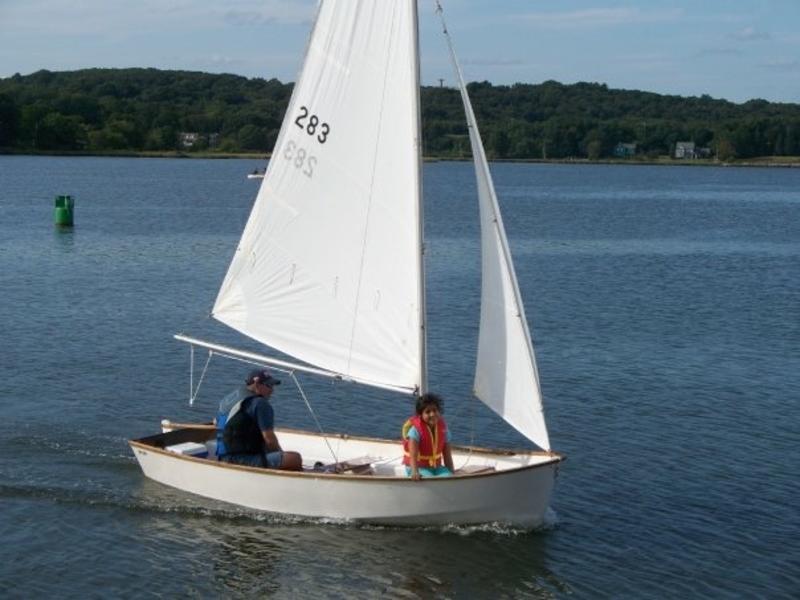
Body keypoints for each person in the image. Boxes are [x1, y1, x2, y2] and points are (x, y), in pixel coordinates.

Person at [214, 368, 302, 471]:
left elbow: (216, 421)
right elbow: (269, 440)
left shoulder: (230, 399)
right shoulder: (260, 404)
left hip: (223, 457)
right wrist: (281, 456)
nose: (272, 390)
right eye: (268, 385)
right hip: (239, 460)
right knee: (294, 458)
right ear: (257, 384)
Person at [401, 393, 455, 479]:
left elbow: (447, 456)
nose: (432, 414)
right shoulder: (414, 431)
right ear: (420, 415)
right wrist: (415, 472)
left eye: (435, 410)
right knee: (429, 478)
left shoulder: (444, 430)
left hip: (436, 467)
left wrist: (453, 474)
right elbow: (413, 456)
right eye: (427, 412)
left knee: (448, 476)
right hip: (418, 467)